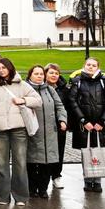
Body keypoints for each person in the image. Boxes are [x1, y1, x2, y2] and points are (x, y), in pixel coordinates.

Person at [0, 58, 42, 206]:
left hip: (18, 129)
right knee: (2, 164)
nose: (1, 70)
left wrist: (23, 100)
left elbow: (38, 100)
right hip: (0, 130)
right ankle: (3, 196)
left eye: (4, 67)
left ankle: (21, 196)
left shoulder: (22, 85)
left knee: (20, 163)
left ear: (10, 68)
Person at [67, 57, 105, 193]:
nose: (90, 67)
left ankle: (98, 181)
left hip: (100, 125)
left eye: (93, 65)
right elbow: (72, 102)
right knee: (86, 153)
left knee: (99, 152)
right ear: (84, 65)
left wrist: (103, 121)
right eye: (88, 64)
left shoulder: (104, 82)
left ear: (98, 67)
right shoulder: (77, 82)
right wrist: (83, 120)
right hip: (84, 125)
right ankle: (88, 181)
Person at [25, 65, 67, 198]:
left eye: (41, 74)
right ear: (30, 75)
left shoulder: (49, 89)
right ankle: (32, 188)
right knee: (32, 161)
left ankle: (43, 188)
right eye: (36, 74)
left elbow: (60, 106)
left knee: (46, 162)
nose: (39, 76)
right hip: (32, 130)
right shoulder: (25, 88)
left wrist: (62, 119)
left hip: (49, 131)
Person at [44, 63, 71, 189]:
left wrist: (65, 122)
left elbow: (68, 107)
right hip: (44, 125)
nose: (54, 75)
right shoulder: (41, 87)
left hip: (59, 125)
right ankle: (44, 177)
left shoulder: (64, 89)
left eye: (56, 73)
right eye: (51, 73)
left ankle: (56, 175)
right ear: (45, 74)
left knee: (59, 151)